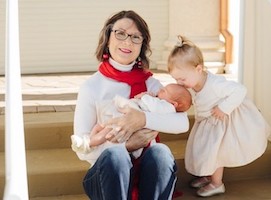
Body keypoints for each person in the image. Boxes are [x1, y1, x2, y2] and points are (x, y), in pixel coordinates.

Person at [70, 11, 189, 200]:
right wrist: (126, 145)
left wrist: (142, 119)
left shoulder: (151, 85)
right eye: (120, 33)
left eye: (135, 37)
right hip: (107, 176)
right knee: (116, 157)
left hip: (146, 175)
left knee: (161, 152)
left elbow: (182, 123)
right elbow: (82, 150)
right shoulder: (92, 87)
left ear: (142, 45)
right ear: (108, 38)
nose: (127, 42)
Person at [167, 35, 271, 197]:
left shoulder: (215, 84)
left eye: (182, 79)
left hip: (222, 124)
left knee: (214, 154)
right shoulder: (194, 84)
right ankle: (208, 176)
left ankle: (217, 183)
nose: (180, 83)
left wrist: (224, 108)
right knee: (203, 151)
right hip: (208, 123)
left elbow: (240, 90)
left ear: (199, 69)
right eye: (176, 79)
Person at [96, 83, 192, 158]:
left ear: (173, 104)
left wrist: (143, 115)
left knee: (108, 128)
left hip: (131, 122)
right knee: (108, 127)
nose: (159, 90)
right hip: (127, 124)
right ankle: (92, 140)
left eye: (163, 91)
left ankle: (93, 140)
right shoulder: (162, 101)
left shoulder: (166, 106)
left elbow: (183, 124)